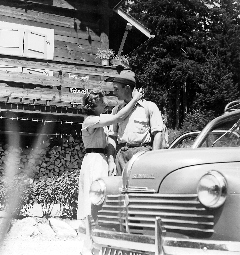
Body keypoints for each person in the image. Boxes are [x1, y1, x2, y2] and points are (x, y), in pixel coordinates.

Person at [77, 87, 142, 220]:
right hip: (93, 160)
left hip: (101, 159)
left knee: (103, 192)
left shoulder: (99, 120)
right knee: (95, 192)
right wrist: (135, 99)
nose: (105, 105)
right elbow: (118, 117)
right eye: (102, 103)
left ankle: (99, 222)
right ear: (94, 106)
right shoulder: (90, 120)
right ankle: (90, 225)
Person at [107, 70, 165, 176]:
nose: (114, 93)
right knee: (120, 189)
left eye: (116, 89)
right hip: (121, 155)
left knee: (140, 188)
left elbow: (158, 134)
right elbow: (112, 136)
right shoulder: (116, 111)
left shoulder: (149, 107)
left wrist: (153, 159)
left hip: (142, 154)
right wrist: (111, 161)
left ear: (127, 88)